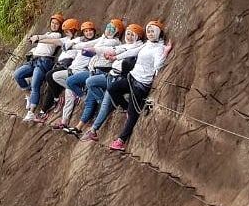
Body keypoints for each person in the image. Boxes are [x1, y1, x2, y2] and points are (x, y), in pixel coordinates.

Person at [64, 23, 144, 139]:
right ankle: (101, 104)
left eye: (133, 35)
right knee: (90, 82)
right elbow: (108, 49)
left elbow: (114, 50)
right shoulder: (121, 44)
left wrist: (94, 50)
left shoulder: (133, 46)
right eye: (128, 34)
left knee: (102, 102)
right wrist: (78, 47)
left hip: (115, 76)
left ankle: (93, 130)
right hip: (108, 74)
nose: (129, 37)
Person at [107, 20, 173, 151]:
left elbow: (157, 66)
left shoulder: (159, 48)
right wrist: (115, 57)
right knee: (112, 89)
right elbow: (132, 52)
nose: (150, 33)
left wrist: (165, 52)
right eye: (148, 31)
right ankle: (127, 108)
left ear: (158, 33)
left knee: (133, 114)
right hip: (132, 77)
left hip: (141, 84)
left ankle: (121, 141)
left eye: (153, 31)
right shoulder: (146, 44)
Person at [51, 19, 124, 129]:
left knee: (89, 96)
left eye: (112, 29)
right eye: (108, 27)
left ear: (117, 32)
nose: (109, 30)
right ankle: (79, 122)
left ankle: (82, 123)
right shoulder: (102, 38)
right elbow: (88, 44)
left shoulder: (114, 42)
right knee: (73, 85)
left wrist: (79, 48)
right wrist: (73, 44)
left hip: (102, 72)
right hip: (92, 71)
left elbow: (97, 48)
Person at [13, 13, 64, 121]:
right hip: (35, 60)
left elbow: (46, 38)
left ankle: (31, 112)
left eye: (57, 24)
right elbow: (41, 44)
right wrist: (32, 50)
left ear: (60, 26)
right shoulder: (47, 33)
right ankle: (28, 95)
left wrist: (37, 37)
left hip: (44, 61)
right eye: (53, 23)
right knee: (17, 74)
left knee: (35, 85)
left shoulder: (57, 35)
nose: (54, 25)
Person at [31, 18, 82, 122]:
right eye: (65, 31)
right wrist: (38, 40)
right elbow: (54, 41)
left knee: (49, 75)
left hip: (68, 64)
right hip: (60, 64)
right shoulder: (66, 39)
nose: (66, 33)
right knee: (50, 86)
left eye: (68, 31)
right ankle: (44, 111)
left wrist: (38, 38)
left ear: (74, 30)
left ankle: (57, 99)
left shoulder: (79, 40)